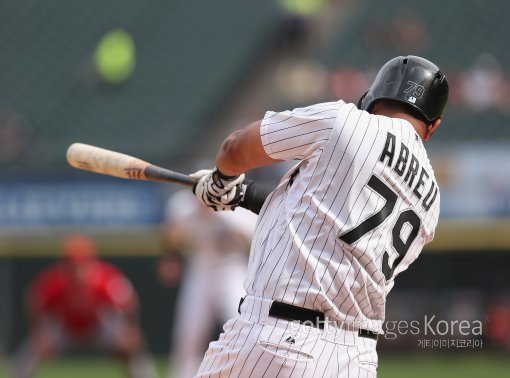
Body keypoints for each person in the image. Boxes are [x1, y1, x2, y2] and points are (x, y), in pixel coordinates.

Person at [191, 55, 449, 377]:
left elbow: (233, 150)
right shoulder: (432, 200)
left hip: (276, 342)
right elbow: (327, 221)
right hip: (357, 359)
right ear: (433, 125)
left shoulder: (346, 121)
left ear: (376, 93)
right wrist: (240, 194)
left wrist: (221, 180)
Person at [13, 234, 158, 378]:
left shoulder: (105, 278)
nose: (76, 269)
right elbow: (33, 302)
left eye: (81, 264)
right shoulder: (56, 280)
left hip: (98, 324)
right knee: (31, 350)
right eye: (71, 264)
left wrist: (130, 328)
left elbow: (129, 302)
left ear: (91, 262)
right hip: (65, 326)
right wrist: (37, 332)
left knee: (131, 345)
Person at [158, 189, 257, 378]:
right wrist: (170, 258)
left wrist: (218, 213)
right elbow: (171, 235)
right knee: (188, 336)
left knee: (244, 329)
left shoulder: (237, 207)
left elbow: (251, 238)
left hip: (231, 271)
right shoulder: (183, 206)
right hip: (199, 270)